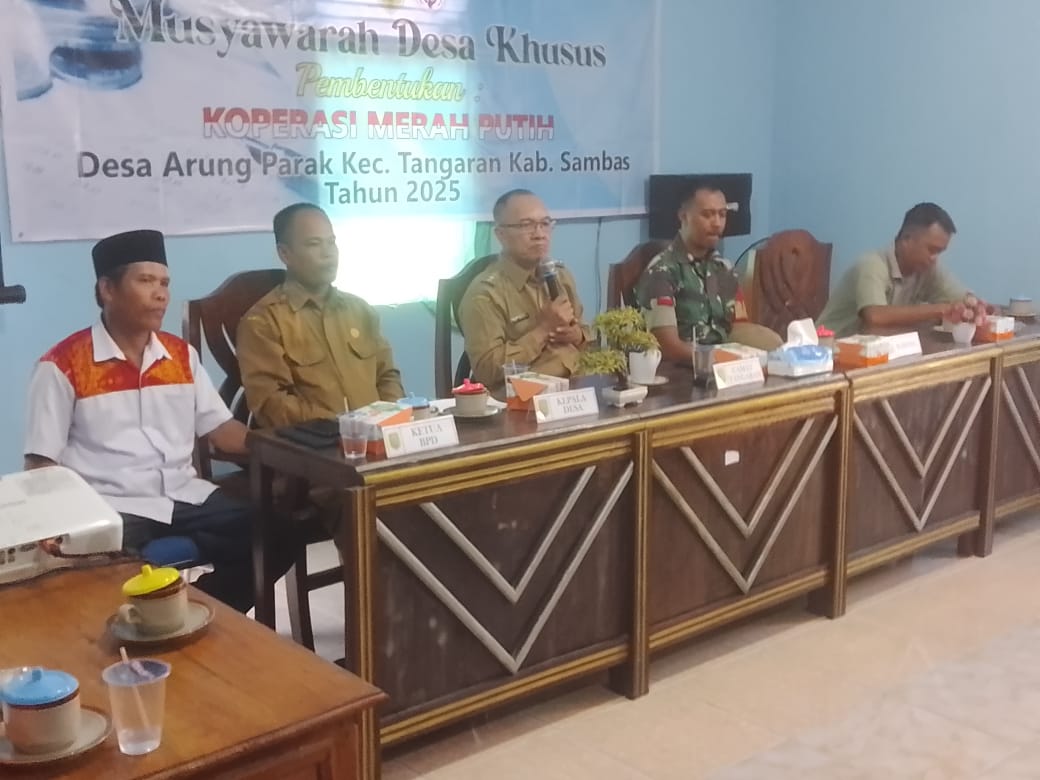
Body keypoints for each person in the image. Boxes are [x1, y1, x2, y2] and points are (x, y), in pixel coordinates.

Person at [23, 229, 274, 613]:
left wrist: (285, 446)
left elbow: (224, 433)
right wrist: (52, 526)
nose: (161, 294)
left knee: (275, 531)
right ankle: (149, 619)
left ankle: (203, 614)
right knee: (98, 569)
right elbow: (41, 465)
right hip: (112, 509)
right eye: (146, 281)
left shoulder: (180, 356)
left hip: (185, 497)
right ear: (108, 289)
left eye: (164, 283)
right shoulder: (63, 365)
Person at [237, 203, 404, 428]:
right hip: (315, 443)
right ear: (285, 253)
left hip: (377, 437)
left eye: (331, 242)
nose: (328, 253)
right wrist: (343, 426)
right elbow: (271, 404)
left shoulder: (360, 310)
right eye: (314, 244)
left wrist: (390, 419)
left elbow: (387, 376)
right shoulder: (264, 322)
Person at [458, 189, 591, 398]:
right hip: (522, 401)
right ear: (500, 235)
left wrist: (577, 335)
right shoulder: (484, 294)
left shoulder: (560, 276)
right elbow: (487, 371)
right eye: (526, 225)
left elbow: (588, 338)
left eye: (545, 223)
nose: (539, 234)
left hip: (577, 388)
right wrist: (543, 330)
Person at [635, 183, 781, 364]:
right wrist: (719, 360)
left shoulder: (724, 268)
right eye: (707, 214)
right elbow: (667, 346)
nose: (717, 223)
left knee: (777, 352)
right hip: (683, 370)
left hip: (725, 367)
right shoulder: (662, 271)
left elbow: (739, 326)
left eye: (722, 214)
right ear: (683, 216)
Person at [819, 202, 966, 337]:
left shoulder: (928, 267)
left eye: (940, 252)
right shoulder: (872, 265)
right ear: (907, 239)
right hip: (828, 350)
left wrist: (972, 305)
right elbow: (875, 317)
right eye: (932, 250)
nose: (935, 258)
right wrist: (939, 310)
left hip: (879, 350)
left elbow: (962, 299)